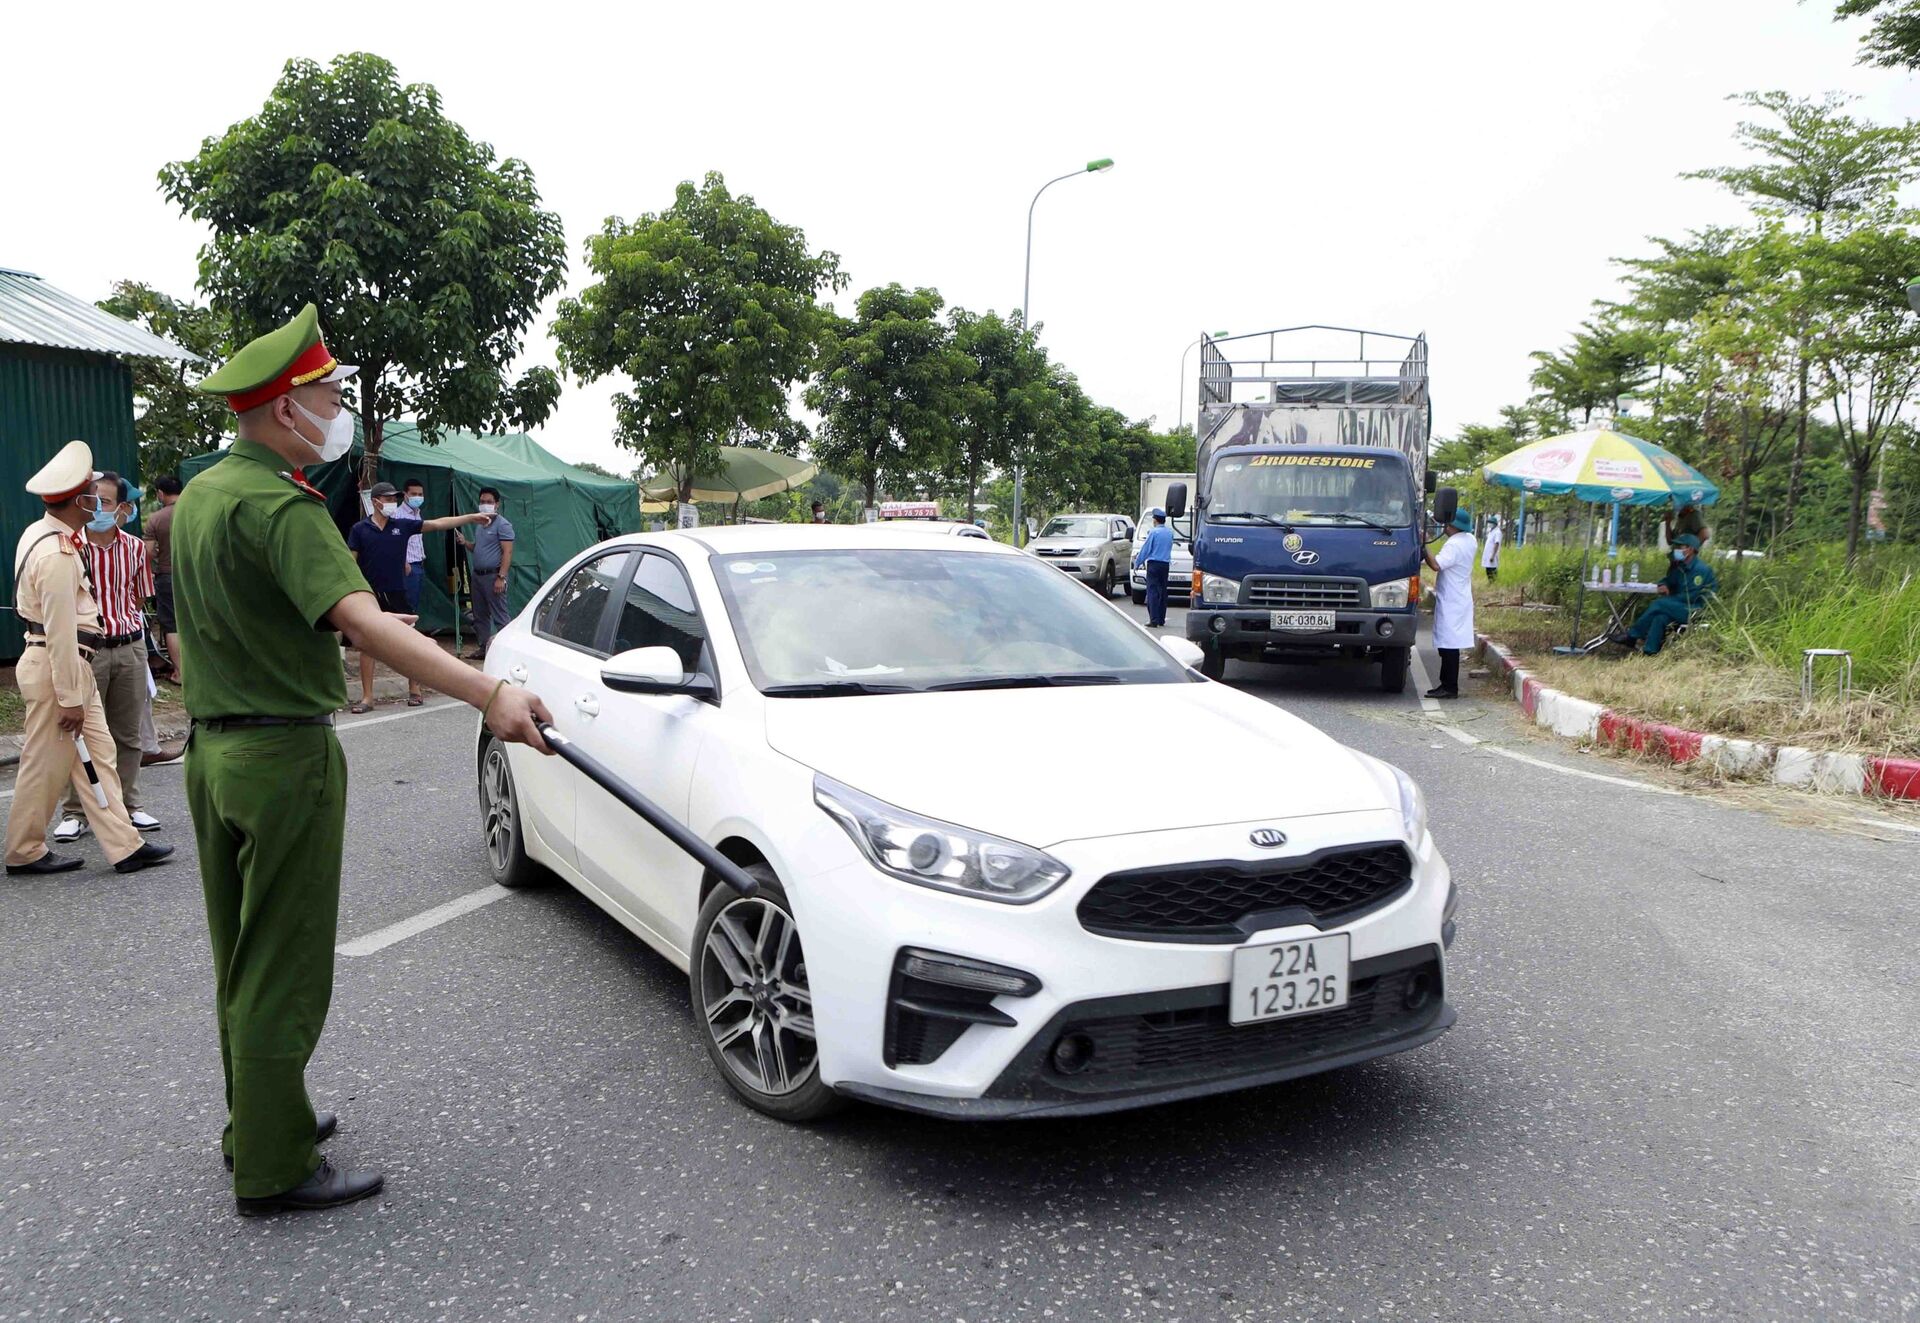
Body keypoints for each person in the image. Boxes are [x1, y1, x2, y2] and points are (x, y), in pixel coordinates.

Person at [180, 303, 553, 1215]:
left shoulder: (201, 497)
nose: (341, 409)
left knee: (241, 953)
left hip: (212, 752)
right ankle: (275, 1167)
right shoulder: (280, 504)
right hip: (280, 756)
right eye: (330, 394)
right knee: (287, 962)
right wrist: (488, 692)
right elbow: (362, 625)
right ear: (283, 411)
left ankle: (258, 1121)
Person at [4, 440, 174, 878]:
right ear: (78, 500)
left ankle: (125, 845)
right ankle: (24, 850)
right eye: (92, 496)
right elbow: (60, 632)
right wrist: (70, 697)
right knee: (46, 762)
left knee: (99, 754)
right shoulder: (58, 553)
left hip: (68, 664)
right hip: (59, 666)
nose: (97, 503)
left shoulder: (39, 533)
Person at [53, 472, 164, 839]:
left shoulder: (135, 548)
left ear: (123, 509)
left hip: (129, 645)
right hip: (88, 651)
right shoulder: (70, 546)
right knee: (80, 732)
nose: (98, 508)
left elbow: (138, 597)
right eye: (93, 500)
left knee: (128, 733)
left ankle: (130, 804)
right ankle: (75, 811)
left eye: (106, 502)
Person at [347, 481, 490, 711]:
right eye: (388, 499)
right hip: (370, 595)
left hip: (397, 593)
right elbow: (349, 563)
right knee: (367, 646)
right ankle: (367, 698)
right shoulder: (360, 530)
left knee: (409, 642)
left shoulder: (403, 525)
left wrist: (470, 518)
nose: (392, 503)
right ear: (375, 502)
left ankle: (415, 690)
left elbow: (437, 524)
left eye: (394, 499)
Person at [1612, 532, 1717, 656]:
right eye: (1676, 547)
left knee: (1660, 604)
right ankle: (1650, 651)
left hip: (1695, 609)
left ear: (1691, 549)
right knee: (1660, 617)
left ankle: (1632, 635)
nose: (1676, 550)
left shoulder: (1701, 570)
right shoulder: (1680, 567)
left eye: (1680, 547)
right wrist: (1664, 585)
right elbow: (1669, 580)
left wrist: (1669, 600)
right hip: (1680, 607)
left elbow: (1690, 597)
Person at [1422, 509, 1477, 699]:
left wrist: (1424, 546)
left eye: (1445, 524)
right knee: (1450, 643)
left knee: (1448, 646)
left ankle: (1449, 687)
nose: (1443, 527)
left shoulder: (1454, 544)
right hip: (1459, 596)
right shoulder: (1470, 540)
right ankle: (1446, 684)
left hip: (1452, 599)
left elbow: (1436, 565)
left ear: (1452, 525)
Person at [461, 486, 515, 657]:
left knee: (500, 616)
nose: (485, 505)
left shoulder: (503, 525)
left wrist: (501, 577)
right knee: (480, 615)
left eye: (489, 502)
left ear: (497, 504)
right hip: (478, 576)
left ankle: (509, 651)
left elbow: (507, 552)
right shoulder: (480, 524)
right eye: (482, 502)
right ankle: (484, 648)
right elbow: (478, 548)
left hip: (493, 576)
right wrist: (465, 543)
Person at [146, 475, 184, 678]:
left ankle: (180, 672)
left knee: (172, 625)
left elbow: (148, 552)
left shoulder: (156, 518)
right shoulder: (194, 511)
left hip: (167, 576)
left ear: (161, 493)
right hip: (195, 574)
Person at [1134, 507, 1174, 628]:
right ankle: (1161, 618)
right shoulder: (1169, 533)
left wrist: (1138, 562)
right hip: (1165, 564)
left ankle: (1154, 619)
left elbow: (1146, 549)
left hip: (1154, 564)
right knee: (1163, 591)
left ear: (1155, 520)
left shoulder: (1153, 532)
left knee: (1152, 591)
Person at [400, 477, 428, 613]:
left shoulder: (417, 514)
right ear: (405, 494)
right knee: (406, 606)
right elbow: (395, 542)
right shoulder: (398, 515)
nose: (417, 497)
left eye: (420, 494)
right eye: (413, 494)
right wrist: (404, 563)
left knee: (414, 604)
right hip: (407, 567)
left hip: (418, 565)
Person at [1481, 514, 1503, 583]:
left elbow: (1497, 543)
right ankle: (1490, 582)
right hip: (1488, 553)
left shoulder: (1497, 532)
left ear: (1495, 523)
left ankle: (1493, 582)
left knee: (1492, 569)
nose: (1489, 524)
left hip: (1492, 554)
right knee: (1488, 568)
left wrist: (1493, 556)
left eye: (1491, 523)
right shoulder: (1491, 531)